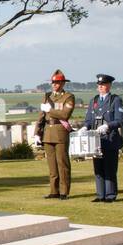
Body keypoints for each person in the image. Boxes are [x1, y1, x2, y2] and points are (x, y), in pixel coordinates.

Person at [84, 74, 123, 202]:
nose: (100, 87)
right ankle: (100, 195)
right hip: (96, 140)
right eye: (99, 85)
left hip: (110, 139)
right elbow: (89, 119)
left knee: (110, 168)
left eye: (103, 84)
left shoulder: (115, 100)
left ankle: (110, 195)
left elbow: (120, 120)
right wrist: (85, 127)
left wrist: (108, 126)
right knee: (98, 169)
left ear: (109, 85)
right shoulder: (94, 100)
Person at [34, 70, 75, 199]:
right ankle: (54, 190)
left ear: (62, 83)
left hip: (60, 131)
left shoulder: (68, 97)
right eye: (53, 82)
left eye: (57, 82)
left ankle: (64, 192)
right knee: (52, 165)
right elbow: (41, 116)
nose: (54, 85)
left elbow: (64, 115)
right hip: (47, 133)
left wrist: (49, 110)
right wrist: (36, 133)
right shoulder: (47, 96)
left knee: (62, 163)